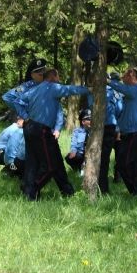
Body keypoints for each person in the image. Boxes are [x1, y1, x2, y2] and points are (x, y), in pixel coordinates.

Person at [14, 68, 89, 201]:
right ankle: (30, 189)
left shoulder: (35, 90)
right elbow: (70, 90)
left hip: (30, 128)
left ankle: (67, 192)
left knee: (54, 162)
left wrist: (25, 117)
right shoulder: (52, 87)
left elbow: (17, 100)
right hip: (41, 130)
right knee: (49, 165)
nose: (59, 79)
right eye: (58, 76)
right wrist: (88, 89)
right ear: (53, 76)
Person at [108, 67, 137, 197]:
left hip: (135, 134)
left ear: (136, 79)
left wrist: (108, 81)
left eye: (128, 75)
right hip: (133, 133)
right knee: (134, 164)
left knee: (124, 163)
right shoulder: (135, 93)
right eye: (125, 74)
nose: (124, 77)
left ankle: (136, 190)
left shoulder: (135, 90)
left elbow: (122, 88)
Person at [66, 109, 91, 175]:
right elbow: (73, 143)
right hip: (80, 154)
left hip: (90, 155)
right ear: (83, 121)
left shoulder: (94, 132)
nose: (91, 121)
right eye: (89, 119)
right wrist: (73, 151)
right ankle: (77, 169)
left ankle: (85, 169)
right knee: (69, 157)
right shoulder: (77, 131)